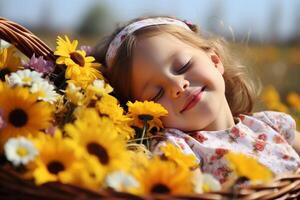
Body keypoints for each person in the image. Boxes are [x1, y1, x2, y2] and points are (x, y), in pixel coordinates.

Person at [93, 16, 300, 184]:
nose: (177, 86)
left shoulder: (269, 125)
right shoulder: (177, 150)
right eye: (156, 94)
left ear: (214, 60)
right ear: (144, 114)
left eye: (183, 66)